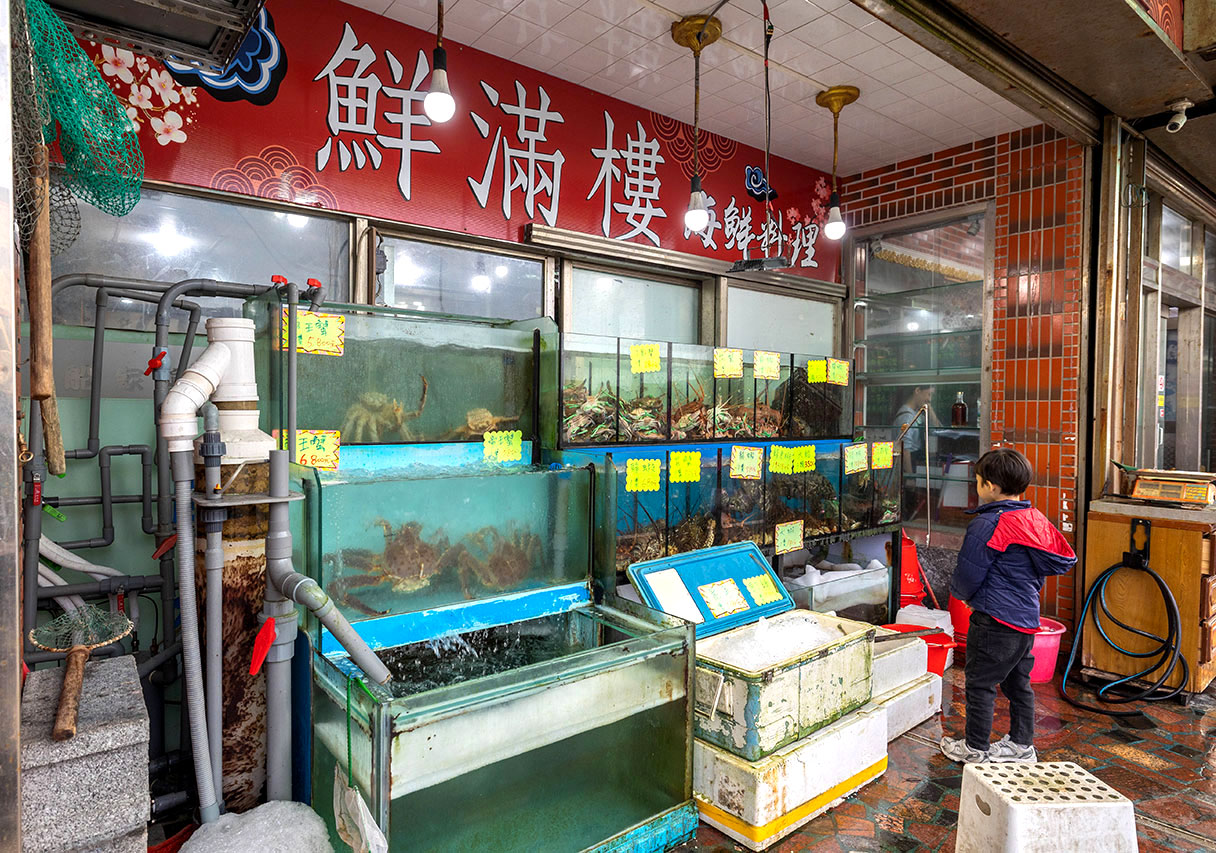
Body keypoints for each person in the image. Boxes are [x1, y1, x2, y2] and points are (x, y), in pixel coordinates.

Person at [940, 448, 1076, 764]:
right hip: (1026, 619)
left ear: (991, 487)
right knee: (1019, 685)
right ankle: (1021, 745)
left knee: (980, 684)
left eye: (977, 481)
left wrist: (959, 594)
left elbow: (969, 571)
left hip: (994, 619)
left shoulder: (988, 524)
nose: (976, 486)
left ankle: (975, 748)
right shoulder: (1032, 519)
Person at [893, 386, 937, 514]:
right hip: (908, 462)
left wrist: (930, 407)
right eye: (928, 394)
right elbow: (905, 447)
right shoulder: (906, 417)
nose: (929, 399)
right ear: (917, 391)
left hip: (915, 460)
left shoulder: (916, 413)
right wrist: (910, 475)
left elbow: (937, 428)